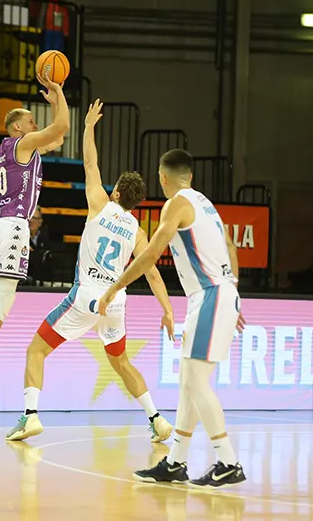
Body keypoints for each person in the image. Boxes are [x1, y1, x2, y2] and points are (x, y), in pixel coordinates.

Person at [5, 100, 175, 443]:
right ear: (136, 203)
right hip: (116, 304)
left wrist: (87, 128)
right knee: (122, 362)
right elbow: (153, 274)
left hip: (87, 296)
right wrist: (169, 310)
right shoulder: (138, 231)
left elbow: (90, 162)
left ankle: (30, 416)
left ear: (115, 193)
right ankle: (157, 419)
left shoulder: (99, 203)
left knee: (35, 350)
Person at [98, 148, 246, 488]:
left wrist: (114, 287)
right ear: (190, 175)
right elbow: (231, 248)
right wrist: (234, 294)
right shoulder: (206, 204)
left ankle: (228, 461)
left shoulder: (175, 203)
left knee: (194, 383)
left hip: (209, 295)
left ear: (162, 178)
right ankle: (176, 461)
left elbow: (151, 253)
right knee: (188, 384)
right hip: (219, 293)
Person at [0, 69, 69, 399]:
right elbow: (62, 127)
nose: (36, 126)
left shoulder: (17, 150)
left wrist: (54, 104)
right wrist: (58, 92)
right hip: (13, 226)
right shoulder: (20, 144)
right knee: (4, 298)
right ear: (17, 127)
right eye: (30, 122)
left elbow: (58, 137)